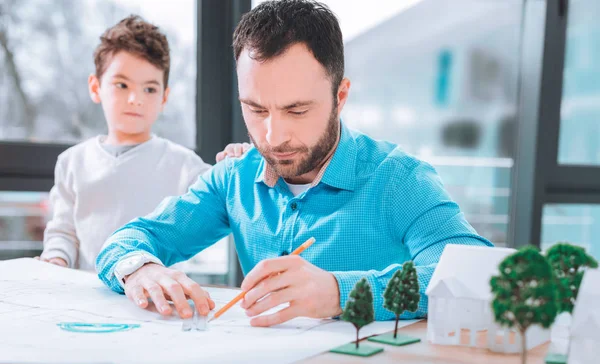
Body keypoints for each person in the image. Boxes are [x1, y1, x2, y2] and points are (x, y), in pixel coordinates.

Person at [96, 1, 493, 325]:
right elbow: (127, 241)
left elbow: (476, 276)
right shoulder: (233, 179)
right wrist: (141, 270)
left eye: (297, 110)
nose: (272, 136)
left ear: (340, 96)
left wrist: (341, 293)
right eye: (255, 109)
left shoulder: (399, 180)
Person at [39, 15, 249, 272]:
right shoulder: (72, 162)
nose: (135, 99)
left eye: (149, 89)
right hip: (86, 298)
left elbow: (225, 196)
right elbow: (63, 232)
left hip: (156, 301)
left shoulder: (182, 164)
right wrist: (55, 260)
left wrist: (236, 162)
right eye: (122, 85)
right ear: (96, 87)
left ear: (164, 97)